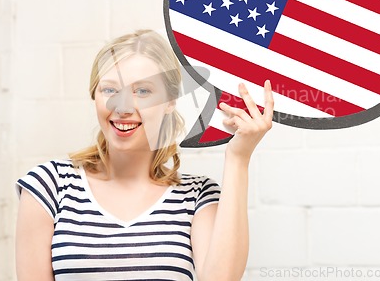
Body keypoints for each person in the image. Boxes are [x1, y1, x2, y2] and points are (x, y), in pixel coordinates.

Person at [15, 29, 274, 280]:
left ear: (170, 102)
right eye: (109, 90)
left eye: (143, 91)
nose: (123, 107)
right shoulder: (50, 185)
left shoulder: (196, 196)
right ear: (94, 95)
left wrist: (239, 158)